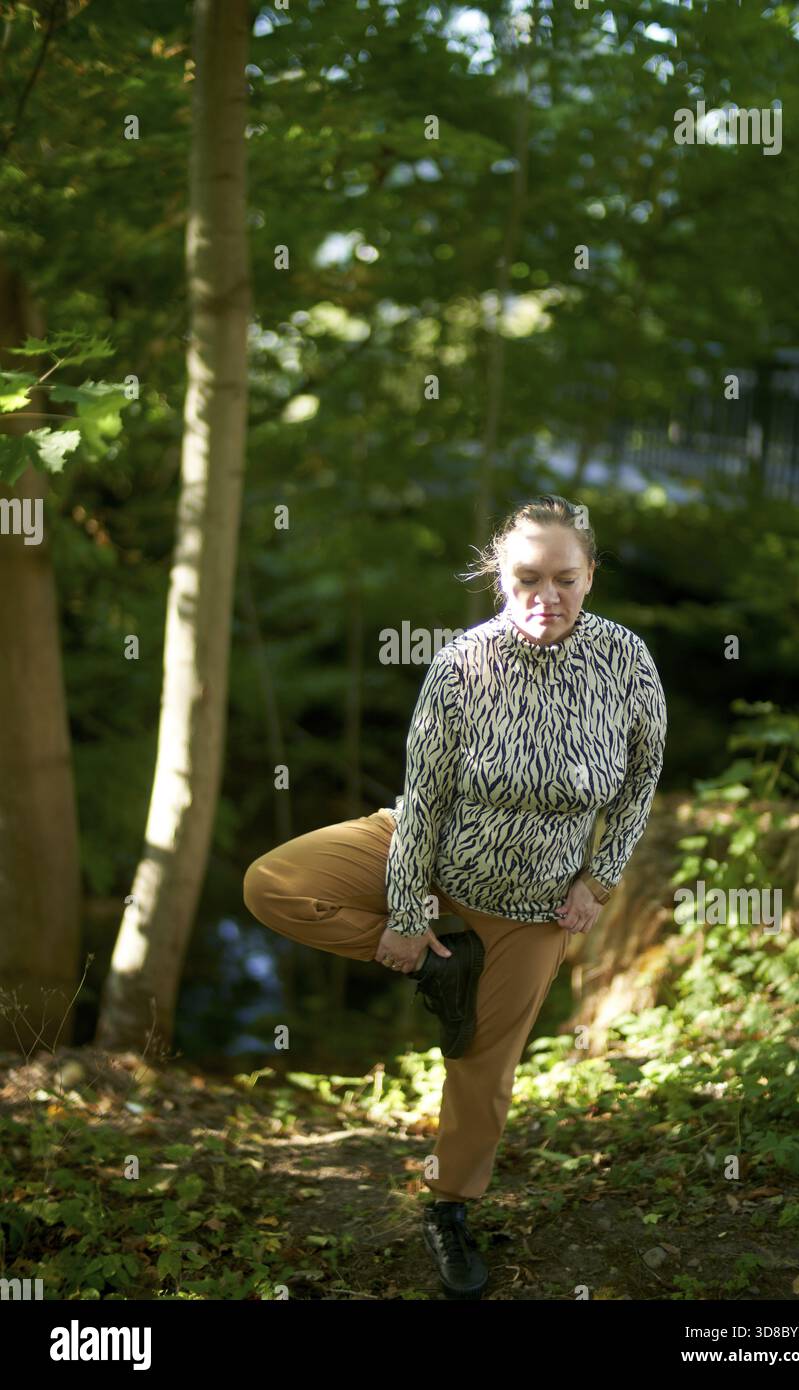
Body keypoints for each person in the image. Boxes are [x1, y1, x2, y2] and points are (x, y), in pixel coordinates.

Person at [243, 493, 667, 1299]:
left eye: (566, 579)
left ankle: (449, 1210)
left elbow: (642, 781)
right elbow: (426, 797)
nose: (546, 595)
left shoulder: (626, 662)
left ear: (592, 577)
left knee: (483, 1072)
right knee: (275, 884)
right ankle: (439, 956)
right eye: (527, 577)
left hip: (534, 908)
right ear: (499, 577)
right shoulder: (462, 664)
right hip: (430, 858)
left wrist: (600, 880)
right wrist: (403, 920)